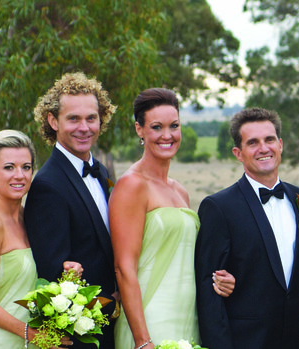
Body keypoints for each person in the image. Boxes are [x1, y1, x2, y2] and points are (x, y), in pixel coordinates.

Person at [110, 88, 234, 349]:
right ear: (139, 129)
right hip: (151, 316)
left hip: (188, 315)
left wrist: (223, 278)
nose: (167, 135)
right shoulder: (131, 185)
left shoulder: (180, 191)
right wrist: (143, 340)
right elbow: (124, 268)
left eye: (174, 126)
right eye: (156, 127)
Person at [195, 107, 299, 349]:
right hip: (244, 341)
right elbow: (208, 293)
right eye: (253, 142)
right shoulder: (218, 207)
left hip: (292, 338)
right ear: (238, 153)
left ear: (280, 144)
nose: (264, 148)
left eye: (269, 139)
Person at [25, 72, 118, 349]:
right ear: (53, 121)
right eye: (73, 119)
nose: (84, 127)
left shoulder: (100, 172)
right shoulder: (47, 185)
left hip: (111, 328)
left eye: (91, 118)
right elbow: (52, 273)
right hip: (78, 336)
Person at [0, 130, 81, 349]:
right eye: (9, 167)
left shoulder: (26, 216)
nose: (20, 175)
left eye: (26, 167)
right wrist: (33, 335)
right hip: (2, 342)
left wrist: (67, 276)